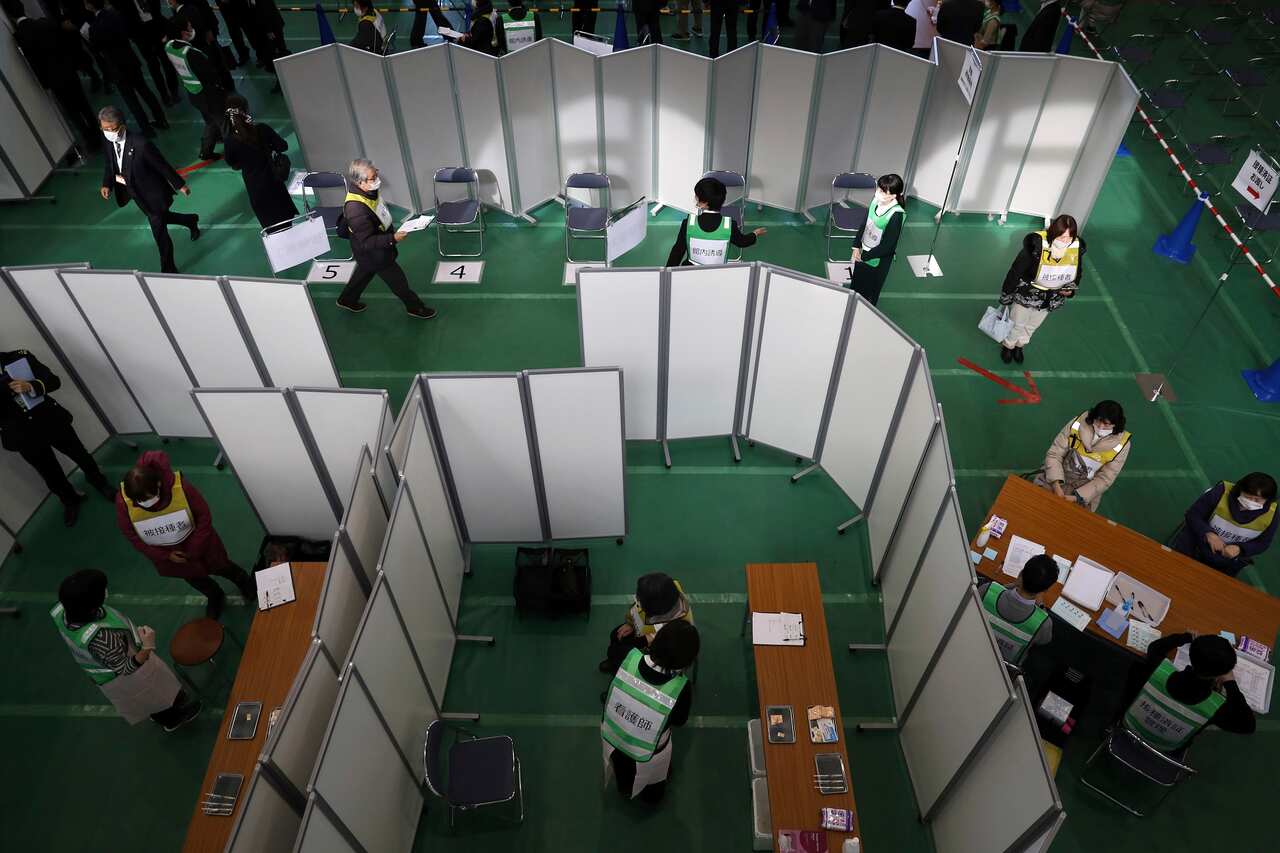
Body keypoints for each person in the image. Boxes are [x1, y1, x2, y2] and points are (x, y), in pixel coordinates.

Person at [52, 569, 202, 730]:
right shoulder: (101, 638)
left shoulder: (63, 610)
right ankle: (172, 720)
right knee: (151, 695)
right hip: (124, 676)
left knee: (151, 696)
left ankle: (165, 708)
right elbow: (127, 667)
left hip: (116, 660)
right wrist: (147, 646)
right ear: (92, 603)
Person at [115, 450, 257, 619]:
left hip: (202, 544)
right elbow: (133, 536)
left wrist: (194, 549)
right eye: (139, 501)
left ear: (159, 485)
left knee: (222, 566)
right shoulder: (126, 502)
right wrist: (166, 556)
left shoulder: (180, 488)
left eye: (148, 498)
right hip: (171, 557)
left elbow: (204, 517)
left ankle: (244, 582)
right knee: (194, 578)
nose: (144, 505)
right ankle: (215, 595)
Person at [2, 347, 114, 527]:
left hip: (50, 420)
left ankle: (99, 482)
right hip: (21, 435)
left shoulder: (18, 357)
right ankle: (70, 500)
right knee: (50, 474)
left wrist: (31, 386)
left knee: (80, 454)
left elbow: (53, 381)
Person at [601, 619, 700, 803]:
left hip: (615, 738)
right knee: (652, 785)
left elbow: (613, 651)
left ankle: (624, 789)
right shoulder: (680, 688)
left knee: (623, 773)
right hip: (651, 751)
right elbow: (679, 720)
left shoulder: (628, 657)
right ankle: (650, 799)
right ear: (687, 659)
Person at [99, 106, 200, 273]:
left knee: (158, 230)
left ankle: (168, 269)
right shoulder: (107, 139)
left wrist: (179, 184)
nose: (109, 132)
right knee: (161, 218)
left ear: (123, 125)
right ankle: (190, 220)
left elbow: (161, 165)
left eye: (113, 128)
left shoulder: (141, 144)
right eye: (105, 129)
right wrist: (107, 183)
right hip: (135, 193)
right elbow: (110, 163)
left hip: (153, 193)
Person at [337, 159, 438, 319]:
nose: (377, 179)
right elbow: (367, 242)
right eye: (373, 178)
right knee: (399, 283)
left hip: (368, 254)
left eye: (376, 173)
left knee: (364, 271)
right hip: (374, 253)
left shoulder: (367, 191)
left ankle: (346, 299)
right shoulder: (356, 210)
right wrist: (393, 238)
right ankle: (415, 307)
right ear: (360, 182)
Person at [1122, 633, 1254, 753]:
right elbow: (1248, 725)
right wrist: (1230, 682)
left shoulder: (1160, 670)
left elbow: (1155, 647)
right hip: (1166, 748)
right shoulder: (1216, 706)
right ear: (1221, 674)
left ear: (1190, 655)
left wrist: (1187, 637)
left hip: (1129, 725)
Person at [2, 0, 99, 144]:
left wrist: (44, 82)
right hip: (68, 70)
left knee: (72, 112)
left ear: (10, 16)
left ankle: (90, 141)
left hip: (53, 79)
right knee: (84, 104)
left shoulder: (20, 36)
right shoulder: (45, 23)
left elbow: (33, 63)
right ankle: (98, 133)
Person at [996, 214, 1085, 363]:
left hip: (1050, 297)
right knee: (1017, 323)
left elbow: (1077, 271)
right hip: (1027, 294)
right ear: (1053, 232)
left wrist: (1070, 290)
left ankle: (1020, 345)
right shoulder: (1036, 245)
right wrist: (1007, 293)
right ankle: (1009, 345)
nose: (1065, 241)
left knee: (1032, 325)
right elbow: (1016, 271)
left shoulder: (1075, 248)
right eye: (1062, 237)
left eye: (1069, 238)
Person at [84, 0, 168, 137]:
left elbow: (95, 48)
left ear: (90, 5)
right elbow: (126, 32)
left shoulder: (94, 28)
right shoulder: (116, 15)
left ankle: (146, 129)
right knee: (145, 91)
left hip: (116, 67)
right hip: (130, 60)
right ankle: (161, 120)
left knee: (132, 100)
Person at [1173, 474, 1278, 577]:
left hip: (1228, 557)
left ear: (1268, 500)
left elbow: (1263, 543)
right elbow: (1193, 515)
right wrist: (1209, 534)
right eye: (1248, 497)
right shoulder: (1220, 493)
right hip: (1197, 542)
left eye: (1257, 500)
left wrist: (1240, 549)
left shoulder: (1272, 513)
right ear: (1240, 489)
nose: (1251, 502)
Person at [1033, 400, 1130, 512]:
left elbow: (1104, 479)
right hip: (1057, 477)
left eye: (1106, 424)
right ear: (1094, 416)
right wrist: (1056, 486)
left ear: (1116, 424)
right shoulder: (1077, 423)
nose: (1101, 426)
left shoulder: (1123, 445)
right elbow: (1055, 454)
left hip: (1083, 491)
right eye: (1098, 420)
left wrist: (1076, 498)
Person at [222, 94, 297, 229]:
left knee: (271, 227)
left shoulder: (230, 141)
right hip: (274, 182)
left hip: (256, 188)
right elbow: (283, 146)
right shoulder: (262, 129)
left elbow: (233, 163)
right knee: (285, 221)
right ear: (246, 110)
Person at [598, 572, 695, 673]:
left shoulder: (676, 627)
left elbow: (652, 642)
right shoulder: (665, 593)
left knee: (623, 650)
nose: (638, 601)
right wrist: (631, 624)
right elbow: (637, 609)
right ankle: (614, 661)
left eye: (641, 601)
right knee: (616, 634)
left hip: (662, 650)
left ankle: (619, 667)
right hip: (649, 632)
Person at [162, 17, 230, 161]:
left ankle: (206, 152)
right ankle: (233, 154)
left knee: (211, 123)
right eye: (189, 26)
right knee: (224, 124)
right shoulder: (192, 53)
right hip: (209, 94)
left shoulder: (168, 47)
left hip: (193, 92)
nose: (192, 28)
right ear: (183, 32)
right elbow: (211, 75)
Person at [665, 177, 767, 267]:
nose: (695, 198)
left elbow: (677, 252)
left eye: (697, 196)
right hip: (717, 274)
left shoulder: (688, 223)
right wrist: (755, 234)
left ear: (704, 203)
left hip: (690, 272)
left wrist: (666, 274)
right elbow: (742, 241)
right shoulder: (729, 225)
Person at [978, 554, 1055, 666]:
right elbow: (1045, 640)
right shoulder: (1043, 623)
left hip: (974, 646)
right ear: (1044, 590)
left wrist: (1013, 585)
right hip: (1003, 668)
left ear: (1020, 574)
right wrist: (1041, 605)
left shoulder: (987, 590)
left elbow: (998, 591)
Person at [847, 173, 905, 306]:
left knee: (869, 296)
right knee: (856, 288)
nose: (878, 193)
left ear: (893, 196)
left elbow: (888, 246)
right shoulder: (875, 202)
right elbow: (865, 223)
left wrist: (866, 256)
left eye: (883, 191)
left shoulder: (896, 215)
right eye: (878, 189)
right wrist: (856, 247)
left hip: (878, 261)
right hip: (863, 253)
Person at [110, 0, 181, 105]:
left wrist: (163, 31)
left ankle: (174, 91)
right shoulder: (123, 3)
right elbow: (124, 19)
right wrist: (135, 37)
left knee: (167, 63)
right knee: (154, 67)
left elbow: (157, 10)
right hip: (142, 39)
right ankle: (164, 95)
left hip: (158, 32)